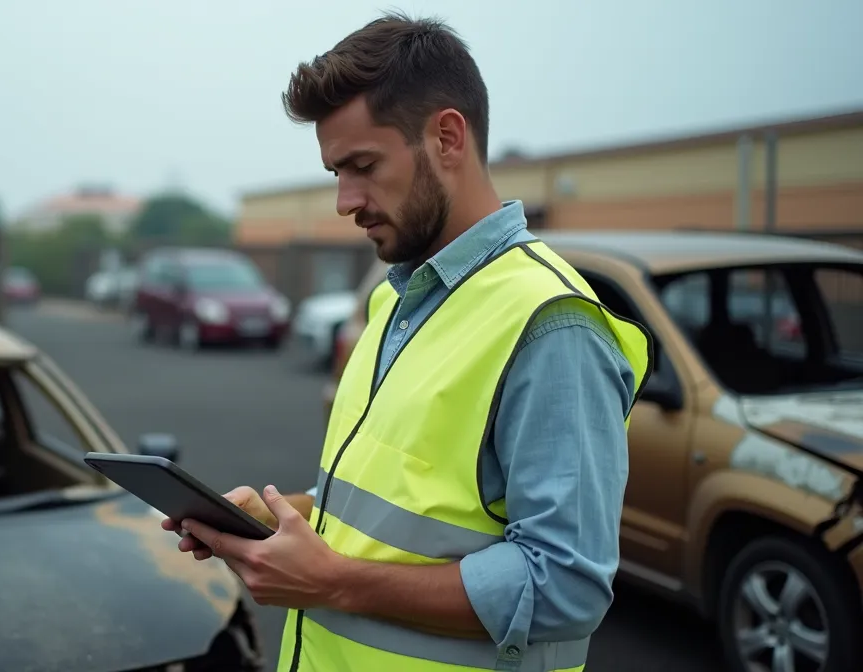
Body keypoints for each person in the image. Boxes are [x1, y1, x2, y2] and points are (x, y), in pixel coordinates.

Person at [160, 12, 654, 672]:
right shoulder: (393, 297)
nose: (345, 200)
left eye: (362, 166)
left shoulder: (552, 324)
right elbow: (396, 509)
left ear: (447, 137)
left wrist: (331, 581)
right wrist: (286, 518)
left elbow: (565, 586)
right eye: (336, 172)